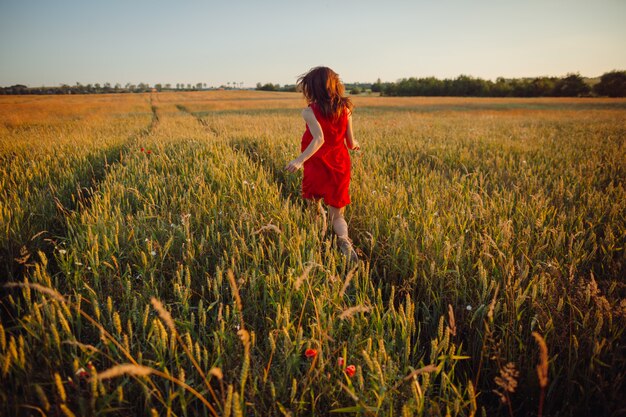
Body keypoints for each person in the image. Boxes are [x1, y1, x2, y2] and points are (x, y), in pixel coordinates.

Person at [285, 66, 361, 261]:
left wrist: (299, 160)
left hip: (316, 164)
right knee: (338, 214)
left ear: (313, 88)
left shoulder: (309, 111)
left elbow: (318, 139)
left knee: (315, 207)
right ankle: (343, 239)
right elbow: (351, 143)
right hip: (340, 164)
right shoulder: (345, 109)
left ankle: (319, 243)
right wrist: (356, 145)